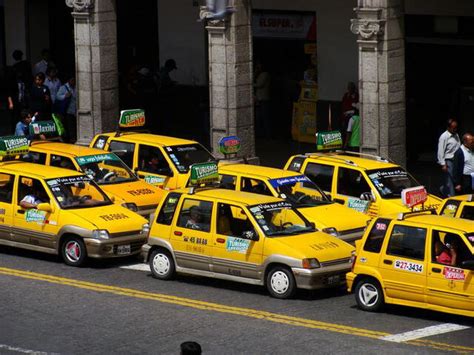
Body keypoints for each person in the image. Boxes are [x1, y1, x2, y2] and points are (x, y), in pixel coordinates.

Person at [437, 119, 461, 197]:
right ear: (448, 127)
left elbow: (458, 146)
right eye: (453, 128)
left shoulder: (456, 135)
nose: (455, 129)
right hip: (448, 160)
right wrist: (443, 164)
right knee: (449, 180)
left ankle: (443, 189)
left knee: (455, 177)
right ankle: (451, 196)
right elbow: (441, 151)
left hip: (456, 160)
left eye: (456, 127)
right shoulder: (444, 137)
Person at [56, 76, 77, 143]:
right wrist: (65, 96)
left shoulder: (76, 87)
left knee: (74, 125)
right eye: (72, 80)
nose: (73, 82)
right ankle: (71, 139)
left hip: (75, 110)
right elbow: (58, 96)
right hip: (68, 110)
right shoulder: (63, 87)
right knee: (69, 125)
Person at [254, 61, 271, 138]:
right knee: (258, 118)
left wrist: (249, 84)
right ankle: (261, 134)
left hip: (263, 98)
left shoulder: (265, 74)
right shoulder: (259, 74)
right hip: (258, 99)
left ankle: (267, 134)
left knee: (265, 117)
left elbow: (259, 84)